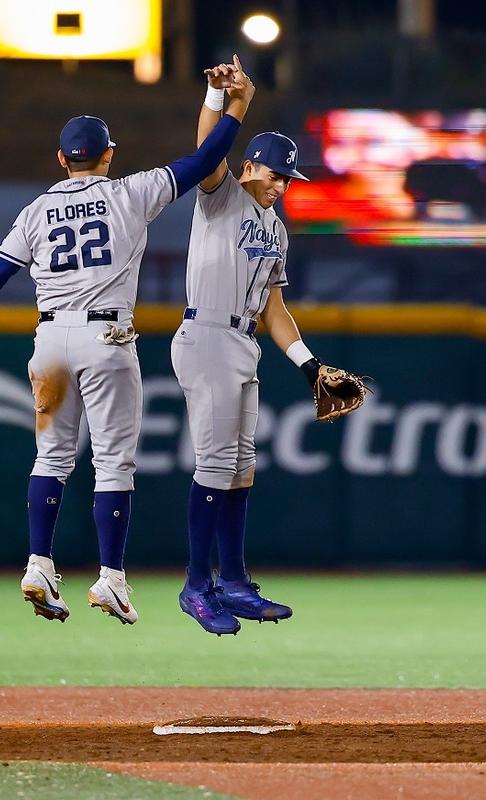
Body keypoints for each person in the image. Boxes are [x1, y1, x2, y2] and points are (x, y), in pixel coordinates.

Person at [0, 65, 255, 626]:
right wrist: (234, 106)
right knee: (113, 463)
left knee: (51, 457)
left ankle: (39, 565)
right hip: (106, 338)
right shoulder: (130, 192)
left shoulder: (36, 211)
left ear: (61, 159)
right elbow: (203, 161)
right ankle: (111, 578)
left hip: (49, 339)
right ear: (108, 154)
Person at [172, 54, 327, 636]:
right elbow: (206, 151)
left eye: (288, 179)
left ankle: (234, 581)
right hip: (207, 333)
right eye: (277, 175)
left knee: (240, 470)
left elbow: (274, 310)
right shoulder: (222, 196)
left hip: (244, 342)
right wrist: (222, 98)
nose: (283, 186)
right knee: (215, 466)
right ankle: (197, 586)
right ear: (250, 167)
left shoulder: (276, 228)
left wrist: (309, 366)